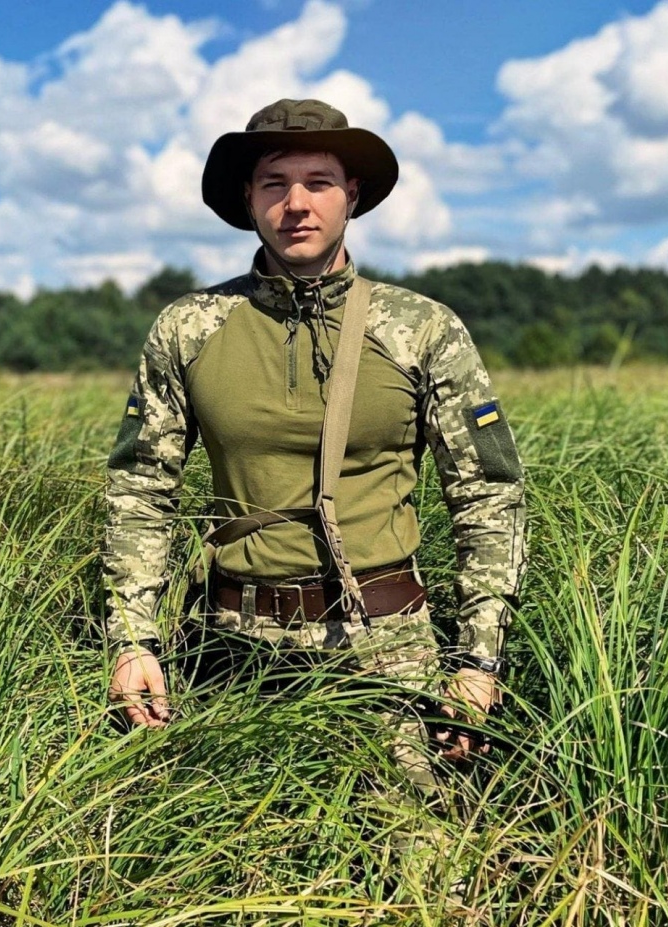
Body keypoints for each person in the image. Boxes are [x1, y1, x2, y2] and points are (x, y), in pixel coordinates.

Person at [104, 99, 526, 775]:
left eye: (318, 182)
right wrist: (134, 641)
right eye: (274, 183)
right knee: (227, 837)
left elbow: (487, 496)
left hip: (385, 652)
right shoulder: (189, 326)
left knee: (412, 836)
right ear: (248, 197)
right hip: (231, 653)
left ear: (351, 195)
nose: (295, 204)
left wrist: (478, 659)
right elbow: (140, 490)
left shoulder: (420, 329)